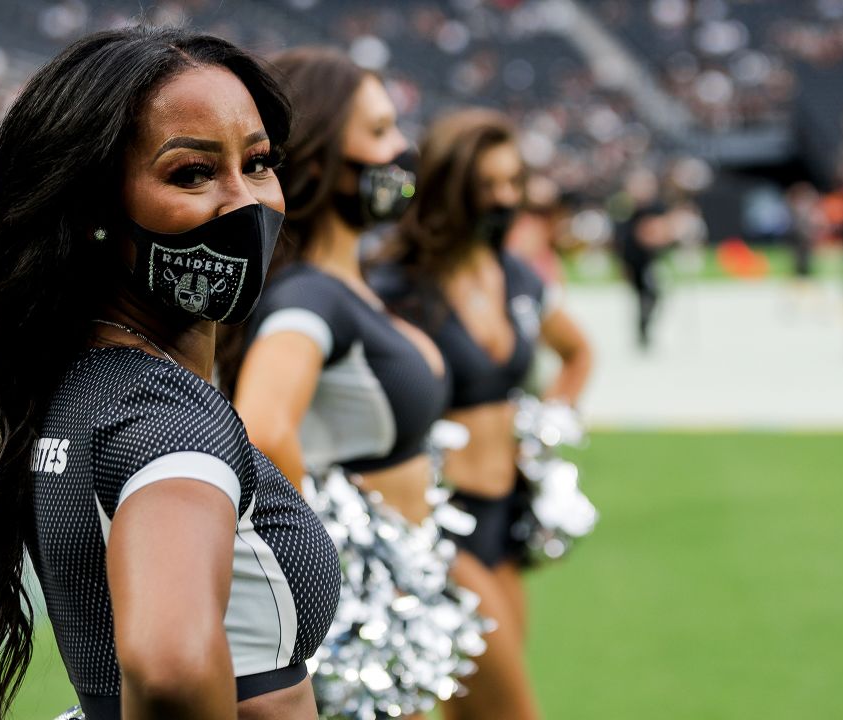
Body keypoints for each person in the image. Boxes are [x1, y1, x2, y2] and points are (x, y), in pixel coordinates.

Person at [0, 27, 340, 720]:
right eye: (191, 173)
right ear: (95, 208)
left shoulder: (87, 380)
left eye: (257, 163)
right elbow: (172, 667)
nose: (244, 202)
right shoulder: (165, 417)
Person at [218, 48, 464, 717]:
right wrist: (322, 564)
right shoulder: (309, 299)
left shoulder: (349, 283)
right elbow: (264, 430)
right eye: (380, 131)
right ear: (322, 159)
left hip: (402, 593)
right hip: (364, 611)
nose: (402, 149)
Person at [372, 109, 593, 720]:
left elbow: (578, 353)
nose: (503, 198)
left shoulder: (516, 276)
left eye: (512, 183)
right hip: (440, 524)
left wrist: (546, 424)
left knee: (471, 706)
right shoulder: (398, 288)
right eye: (485, 184)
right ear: (448, 187)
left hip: (506, 518)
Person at [615, 168, 675, 351]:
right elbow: (622, 238)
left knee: (653, 295)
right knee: (641, 297)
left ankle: (645, 329)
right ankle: (642, 331)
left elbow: (663, 232)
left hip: (651, 260)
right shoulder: (626, 208)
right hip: (633, 260)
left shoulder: (656, 207)